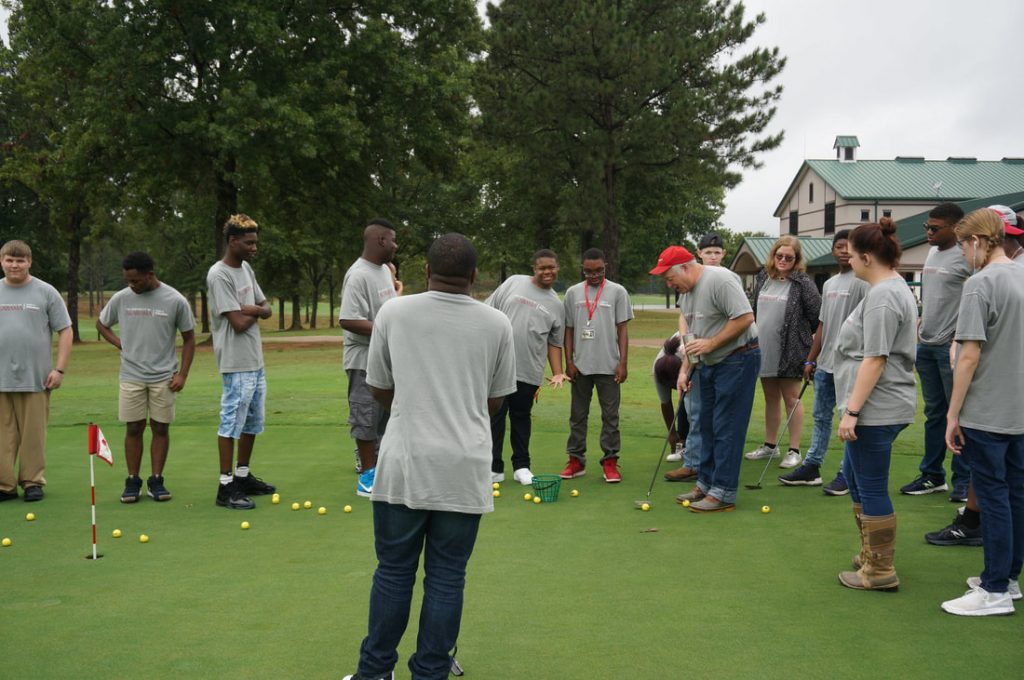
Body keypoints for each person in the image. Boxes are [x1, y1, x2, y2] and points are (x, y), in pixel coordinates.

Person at [342, 233, 516, 680]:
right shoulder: (497, 323)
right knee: (446, 577)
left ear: (425, 271)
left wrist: (415, 402)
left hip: (405, 460)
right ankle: (432, 670)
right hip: (464, 465)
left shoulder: (394, 312)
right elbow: (496, 402)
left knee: (394, 572)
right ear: (475, 277)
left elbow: (378, 386)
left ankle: (375, 672)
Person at [939, 208, 1024, 616]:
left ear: (977, 242)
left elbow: (968, 355)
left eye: (961, 244)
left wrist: (952, 415)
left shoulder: (979, 283)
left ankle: (994, 591)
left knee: (993, 497)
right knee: (1016, 494)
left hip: (988, 410)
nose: (960, 253)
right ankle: (1007, 579)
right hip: (1019, 409)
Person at [834, 218, 917, 592]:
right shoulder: (888, 289)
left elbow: (876, 358)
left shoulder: (884, 296)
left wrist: (852, 411)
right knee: (855, 477)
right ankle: (871, 553)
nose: (848, 261)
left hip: (876, 409)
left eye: (851, 255)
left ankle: (880, 570)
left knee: (870, 485)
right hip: (876, 405)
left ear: (867, 256)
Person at [653, 245, 759, 513]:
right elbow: (693, 338)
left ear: (685, 268)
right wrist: (685, 370)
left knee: (727, 426)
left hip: (738, 359)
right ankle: (706, 483)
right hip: (709, 363)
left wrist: (711, 344)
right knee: (707, 425)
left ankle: (723, 492)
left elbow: (745, 317)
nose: (669, 284)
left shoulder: (719, 279)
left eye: (669, 277)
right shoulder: (686, 294)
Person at [96, 251, 196, 503]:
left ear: (150, 275)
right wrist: (121, 344)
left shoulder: (175, 300)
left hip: (164, 376)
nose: (131, 285)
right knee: (134, 427)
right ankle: (133, 480)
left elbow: (189, 338)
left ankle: (156, 480)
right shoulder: (122, 298)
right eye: (128, 281)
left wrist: (183, 374)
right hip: (131, 375)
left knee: (160, 427)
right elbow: (101, 324)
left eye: (136, 281)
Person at [780, 231, 868, 489]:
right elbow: (822, 324)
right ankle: (812, 466)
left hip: (850, 363)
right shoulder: (829, 284)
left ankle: (846, 473)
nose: (843, 251)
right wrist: (810, 359)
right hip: (826, 363)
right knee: (820, 416)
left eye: (848, 247)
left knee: (848, 421)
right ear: (833, 250)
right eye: (839, 246)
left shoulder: (863, 282)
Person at [900, 203, 971, 502]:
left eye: (934, 228)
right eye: (926, 227)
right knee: (934, 414)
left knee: (959, 416)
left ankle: (964, 482)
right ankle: (932, 476)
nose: (927, 233)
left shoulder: (967, 257)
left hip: (950, 348)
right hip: (926, 343)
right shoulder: (931, 252)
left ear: (955, 228)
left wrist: (959, 335)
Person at [206, 214, 276, 510]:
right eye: (248, 243)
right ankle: (225, 486)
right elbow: (236, 322)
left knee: (252, 422)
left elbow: (266, 307)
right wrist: (254, 311)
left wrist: (252, 309)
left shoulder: (246, 269)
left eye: (255, 242)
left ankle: (243, 476)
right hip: (235, 363)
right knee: (231, 422)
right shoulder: (218, 275)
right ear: (232, 241)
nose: (254, 248)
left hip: (255, 360)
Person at [486, 249, 568, 485]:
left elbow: (554, 342)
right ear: (534, 268)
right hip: (498, 365)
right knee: (495, 416)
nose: (547, 272)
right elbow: (488, 312)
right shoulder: (513, 283)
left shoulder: (556, 304)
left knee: (521, 417)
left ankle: (521, 466)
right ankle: (493, 467)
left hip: (529, 370)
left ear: (557, 268)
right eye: (542, 268)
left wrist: (558, 372)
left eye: (551, 267)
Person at [0, 240, 72, 503]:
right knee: (2, 436)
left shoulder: (46, 292)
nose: (15, 265)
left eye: (20, 260)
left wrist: (60, 369)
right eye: (10, 260)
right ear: (2, 261)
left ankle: (32, 482)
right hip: (1, 378)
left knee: (33, 435)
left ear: (29, 262)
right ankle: (4, 485)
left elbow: (65, 330)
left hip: (36, 378)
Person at [745, 236, 821, 470]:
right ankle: (770, 445)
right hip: (763, 348)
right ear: (773, 255)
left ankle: (794, 450)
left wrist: (810, 352)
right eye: (780, 256)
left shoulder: (803, 283)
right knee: (770, 398)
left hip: (791, 350)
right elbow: (756, 310)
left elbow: (818, 317)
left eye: (789, 257)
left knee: (791, 398)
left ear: (796, 259)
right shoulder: (763, 278)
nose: (783, 260)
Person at [560, 248, 634, 483]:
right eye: (589, 271)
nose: (594, 275)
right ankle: (576, 460)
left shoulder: (618, 292)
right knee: (577, 416)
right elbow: (568, 329)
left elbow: (622, 329)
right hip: (580, 367)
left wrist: (622, 363)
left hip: (609, 366)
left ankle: (610, 462)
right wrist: (568, 362)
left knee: (610, 417)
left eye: (599, 270)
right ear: (582, 269)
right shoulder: (572, 293)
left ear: (606, 267)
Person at [340, 219, 399, 497]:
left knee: (385, 419)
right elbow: (349, 319)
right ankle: (367, 477)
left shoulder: (384, 271)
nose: (396, 246)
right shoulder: (359, 274)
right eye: (393, 240)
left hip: (385, 359)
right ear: (380, 241)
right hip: (363, 360)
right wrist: (388, 330)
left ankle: (381, 471)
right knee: (365, 418)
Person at [653, 334, 691, 478]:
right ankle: (682, 440)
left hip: (701, 351)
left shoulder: (687, 358)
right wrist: (672, 434)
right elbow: (665, 403)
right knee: (684, 401)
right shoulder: (658, 371)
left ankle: (696, 447)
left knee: (691, 404)